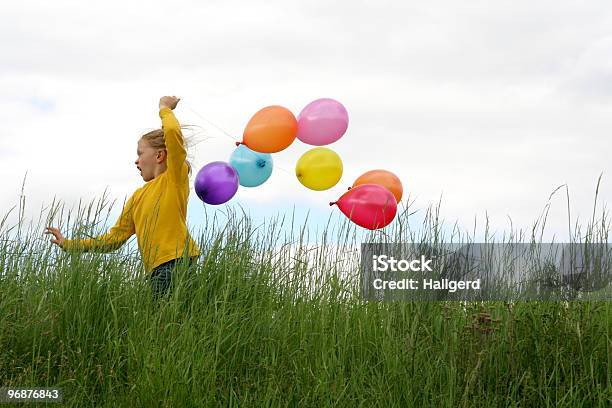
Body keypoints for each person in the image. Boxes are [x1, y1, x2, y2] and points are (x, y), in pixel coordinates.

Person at [44, 96, 200, 299]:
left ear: (159, 156)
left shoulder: (175, 178)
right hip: (155, 271)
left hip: (177, 263)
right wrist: (71, 245)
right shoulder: (137, 197)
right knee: (163, 324)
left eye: (140, 153)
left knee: (165, 320)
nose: (136, 160)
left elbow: (172, 133)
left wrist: (164, 108)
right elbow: (114, 239)